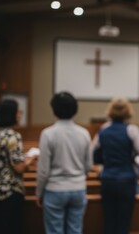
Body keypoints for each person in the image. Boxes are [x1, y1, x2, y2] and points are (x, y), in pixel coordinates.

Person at [36, 92, 92, 234]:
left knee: (54, 231)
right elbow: (89, 166)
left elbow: (43, 170)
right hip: (78, 188)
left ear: (54, 110)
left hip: (55, 189)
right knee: (75, 230)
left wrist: (39, 192)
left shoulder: (48, 134)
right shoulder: (84, 133)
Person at [93, 97, 139, 234]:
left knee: (109, 222)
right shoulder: (132, 130)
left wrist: (100, 166)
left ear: (110, 111)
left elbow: (92, 152)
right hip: (126, 180)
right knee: (124, 223)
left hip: (107, 179)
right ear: (128, 112)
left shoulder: (103, 130)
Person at [0, 99, 37, 234]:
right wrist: (31, 158)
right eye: (18, 112)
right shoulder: (12, 136)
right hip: (8, 192)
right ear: (10, 114)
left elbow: (3, 159)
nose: (20, 115)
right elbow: (19, 167)